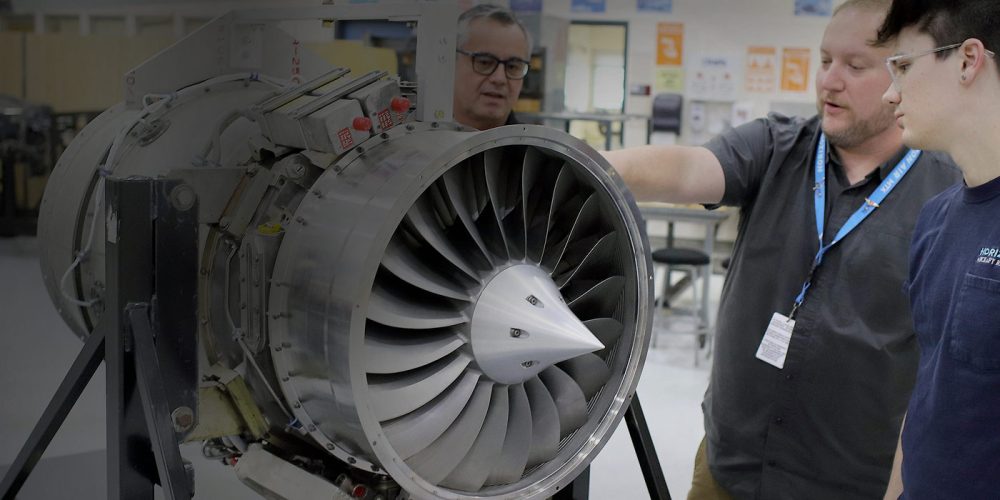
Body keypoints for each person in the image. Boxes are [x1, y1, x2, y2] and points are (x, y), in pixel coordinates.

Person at [602, 0, 961, 498]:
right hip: (730, 467)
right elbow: (686, 169)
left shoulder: (945, 193)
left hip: (846, 482)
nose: (829, 81)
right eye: (825, 60)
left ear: (901, 74)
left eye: (855, 66)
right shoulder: (776, 147)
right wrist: (577, 162)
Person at [875, 1, 1000, 498]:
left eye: (904, 66)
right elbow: (930, 387)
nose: (890, 93)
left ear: (968, 60)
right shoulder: (935, 219)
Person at [452, 4, 531, 130]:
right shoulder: (419, 139)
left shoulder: (533, 143)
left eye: (512, 67)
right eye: (484, 62)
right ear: (451, 63)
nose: (499, 79)